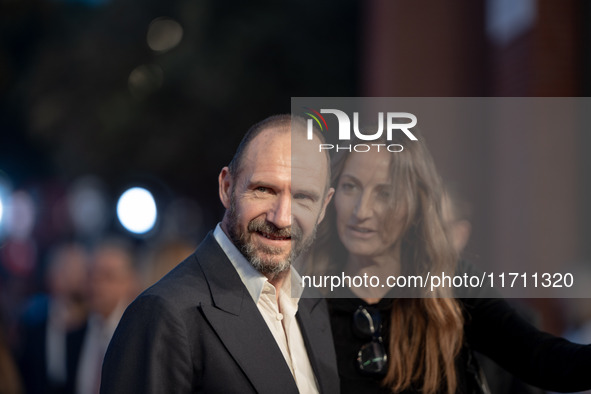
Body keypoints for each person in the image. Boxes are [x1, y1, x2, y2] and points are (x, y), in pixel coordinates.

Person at [307, 130, 591, 394]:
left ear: (415, 204)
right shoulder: (306, 298)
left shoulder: (451, 284)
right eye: (350, 186)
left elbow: (542, 358)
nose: (362, 210)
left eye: (385, 193)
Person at [100, 115, 339, 394]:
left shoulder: (316, 307)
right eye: (264, 189)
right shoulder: (163, 314)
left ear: (324, 207)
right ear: (227, 188)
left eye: (303, 197)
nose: (282, 218)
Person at [77, 238, 139, 394]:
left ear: (130, 282)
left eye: (108, 276)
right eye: (91, 274)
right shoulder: (75, 331)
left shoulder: (140, 336)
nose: (96, 283)